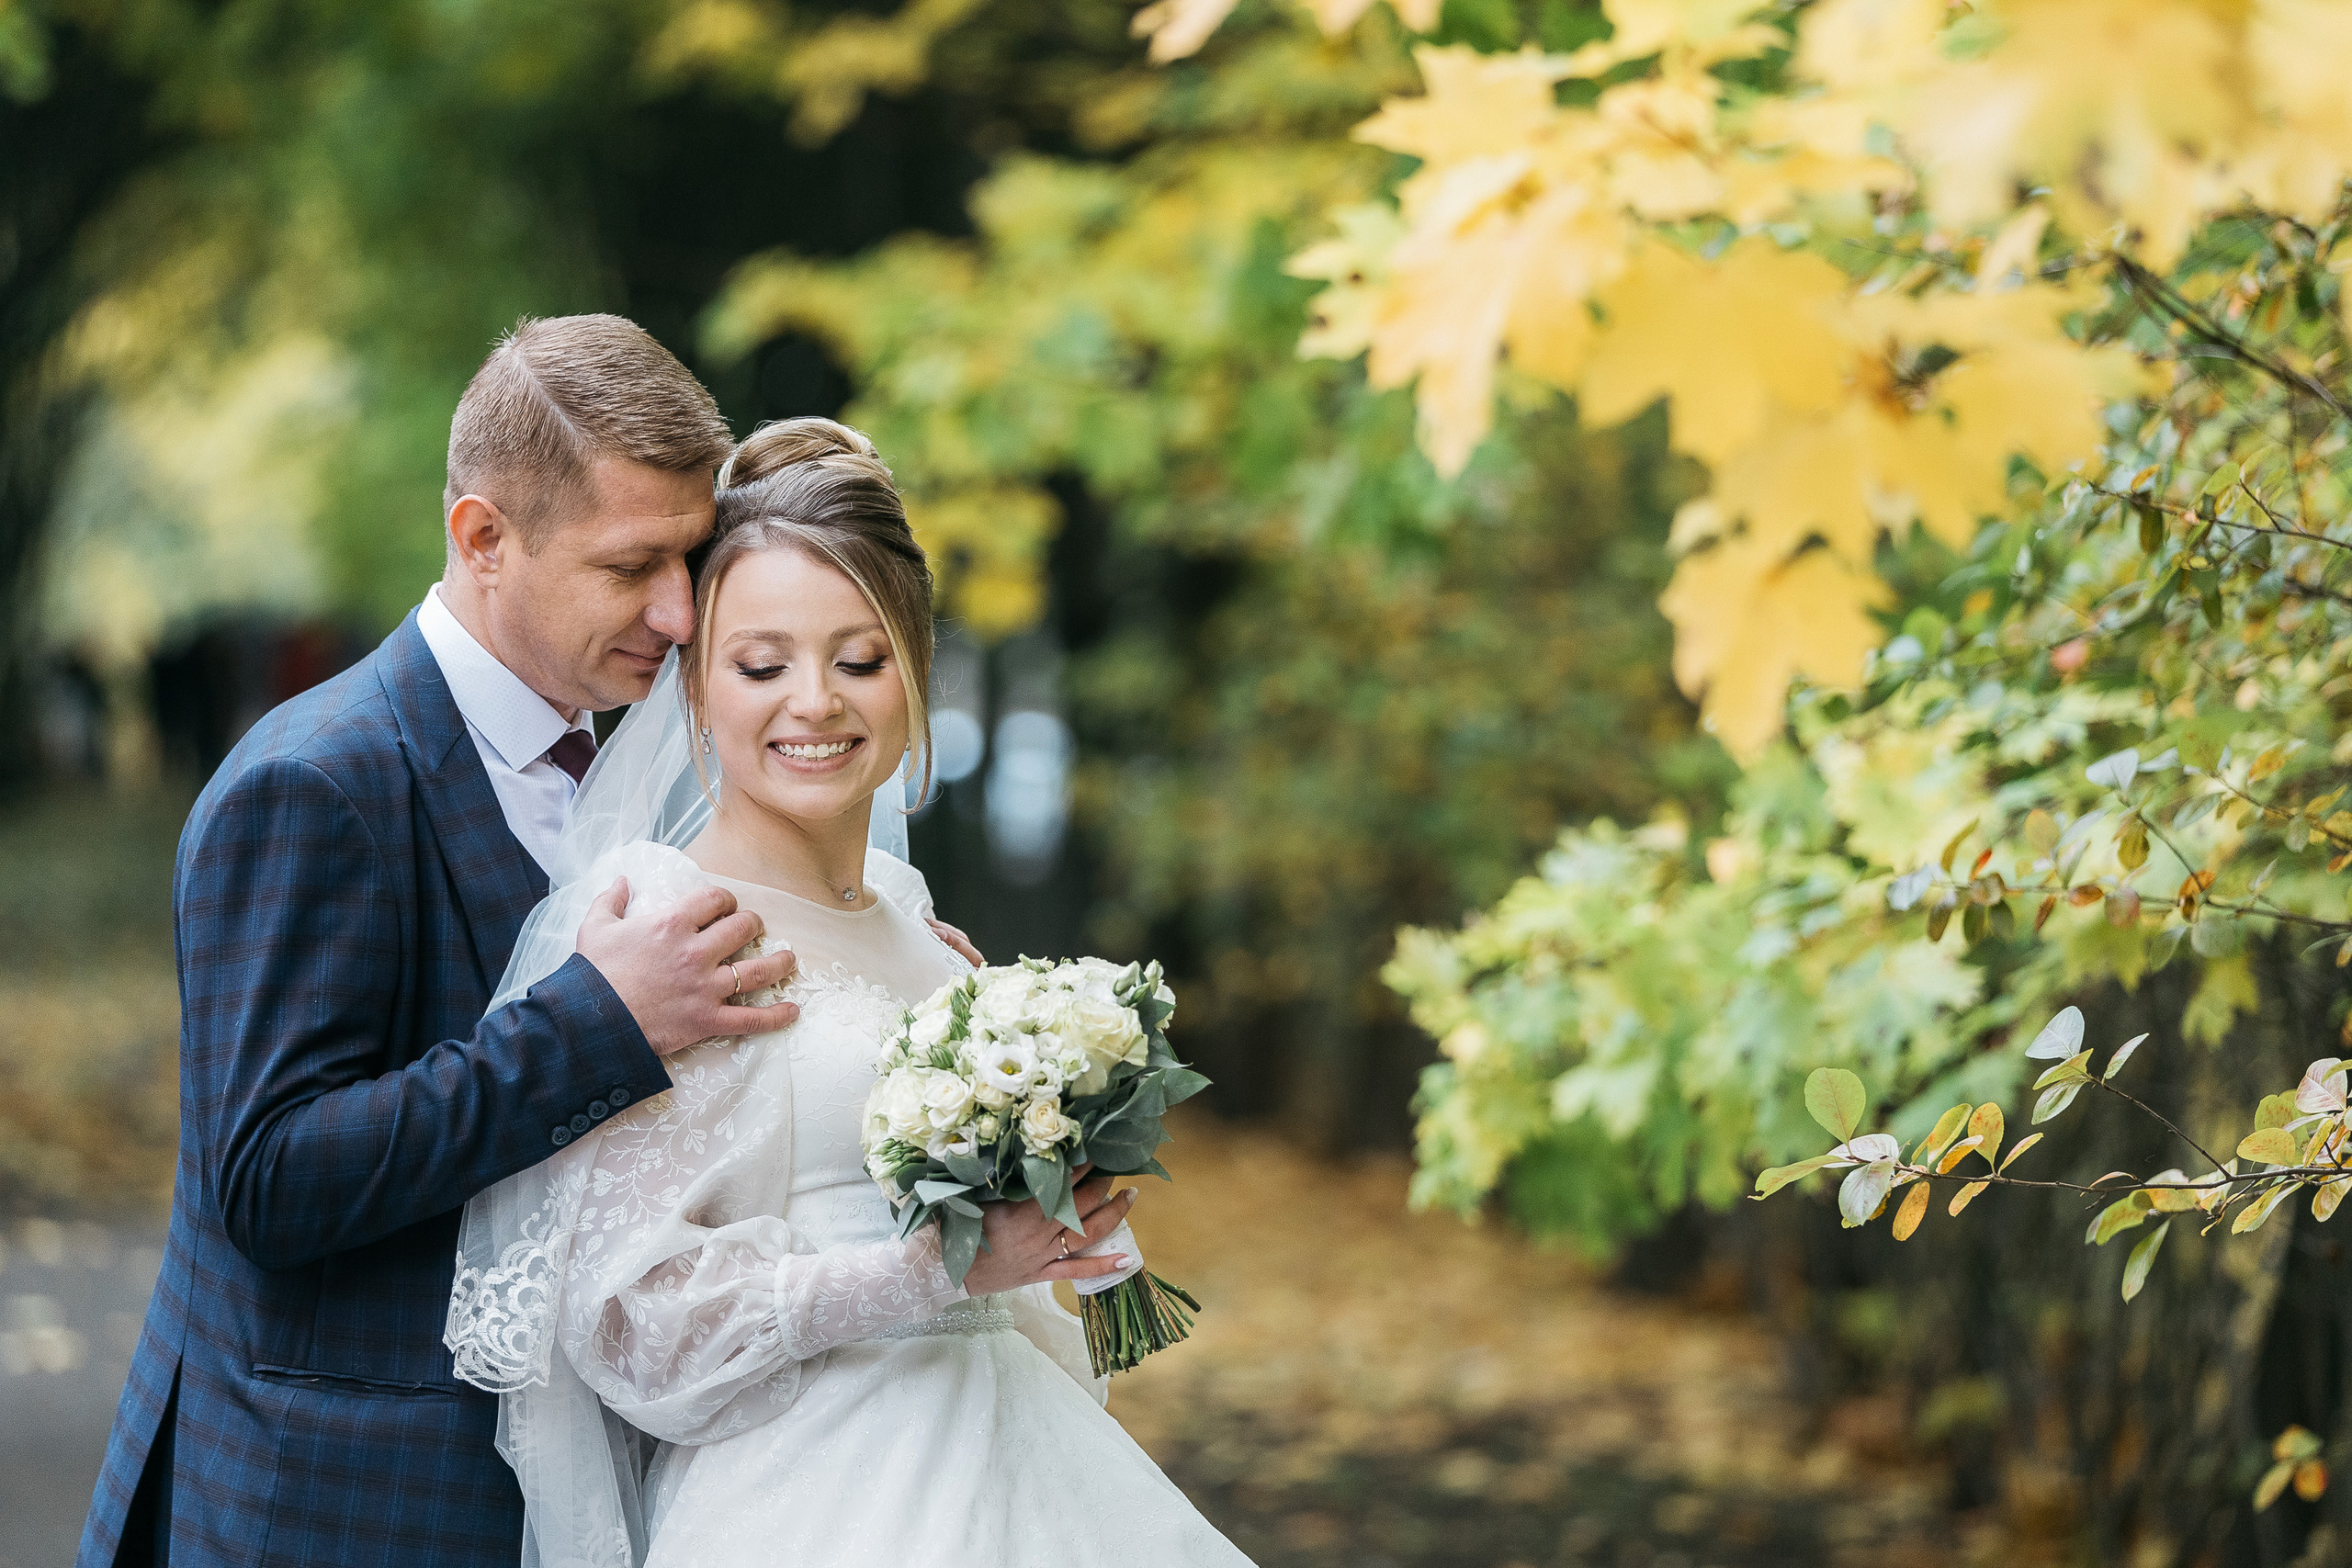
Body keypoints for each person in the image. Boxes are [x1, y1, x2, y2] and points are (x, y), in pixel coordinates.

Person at [77, 316, 820, 1568]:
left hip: (586, 1483)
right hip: (339, 1502)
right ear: (483, 537)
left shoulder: (648, 759)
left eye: (691, 560)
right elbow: (265, 1177)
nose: (681, 612)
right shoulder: (316, 785)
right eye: (632, 563)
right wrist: (600, 1021)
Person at [445, 417, 1253, 1567]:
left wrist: (1048, 1183)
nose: (815, 702)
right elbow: (632, 1325)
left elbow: (983, 1255)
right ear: (695, 689)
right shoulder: (665, 925)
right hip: (810, 1499)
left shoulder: (916, 922)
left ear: (914, 671)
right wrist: (933, 1270)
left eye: (860, 660)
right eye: (762, 665)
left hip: (1021, 1462)